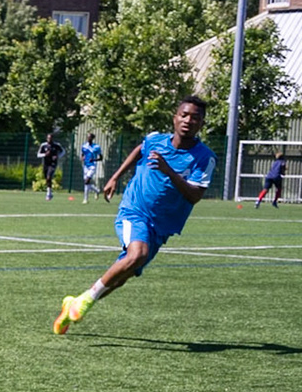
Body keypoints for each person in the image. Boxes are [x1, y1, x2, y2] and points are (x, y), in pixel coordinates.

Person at [54, 97, 214, 336]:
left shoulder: (204, 157)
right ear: (175, 117)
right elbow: (140, 149)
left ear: (201, 124)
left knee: (123, 274)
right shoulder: (155, 140)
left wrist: (168, 170)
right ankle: (84, 301)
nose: (188, 120)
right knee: (137, 254)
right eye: (184, 115)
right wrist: (116, 176)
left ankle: (73, 304)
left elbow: (194, 195)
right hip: (134, 210)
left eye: (195, 117)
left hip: (161, 226)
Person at [80, 132, 104, 200]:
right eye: (87, 137)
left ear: (92, 138)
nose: (88, 138)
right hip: (85, 166)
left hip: (92, 166)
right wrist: (82, 158)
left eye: (90, 137)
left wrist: (94, 159)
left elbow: (101, 158)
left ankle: (85, 199)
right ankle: (97, 190)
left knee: (87, 181)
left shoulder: (96, 147)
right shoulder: (84, 146)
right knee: (86, 182)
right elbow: (82, 154)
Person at [38, 132, 62, 201]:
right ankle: (50, 193)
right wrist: (45, 155)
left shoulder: (56, 145)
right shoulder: (43, 145)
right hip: (46, 164)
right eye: (48, 138)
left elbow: (63, 151)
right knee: (47, 179)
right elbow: (38, 154)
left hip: (53, 164)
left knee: (49, 177)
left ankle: (48, 194)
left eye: (51, 138)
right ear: (46, 138)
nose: (49, 139)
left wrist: (57, 156)